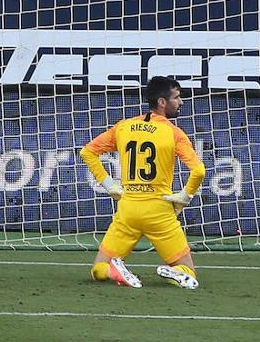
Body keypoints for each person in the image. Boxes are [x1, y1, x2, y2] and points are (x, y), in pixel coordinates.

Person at [79, 75, 206, 290]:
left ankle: (113, 270)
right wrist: (184, 196)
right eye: (177, 97)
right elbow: (199, 171)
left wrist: (109, 185)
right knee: (188, 271)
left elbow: (87, 152)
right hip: (160, 210)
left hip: (128, 209)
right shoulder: (174, 133)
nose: (181, 102)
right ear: (162, 102)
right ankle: (174, 273)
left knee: (98, 268)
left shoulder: (124, 127)